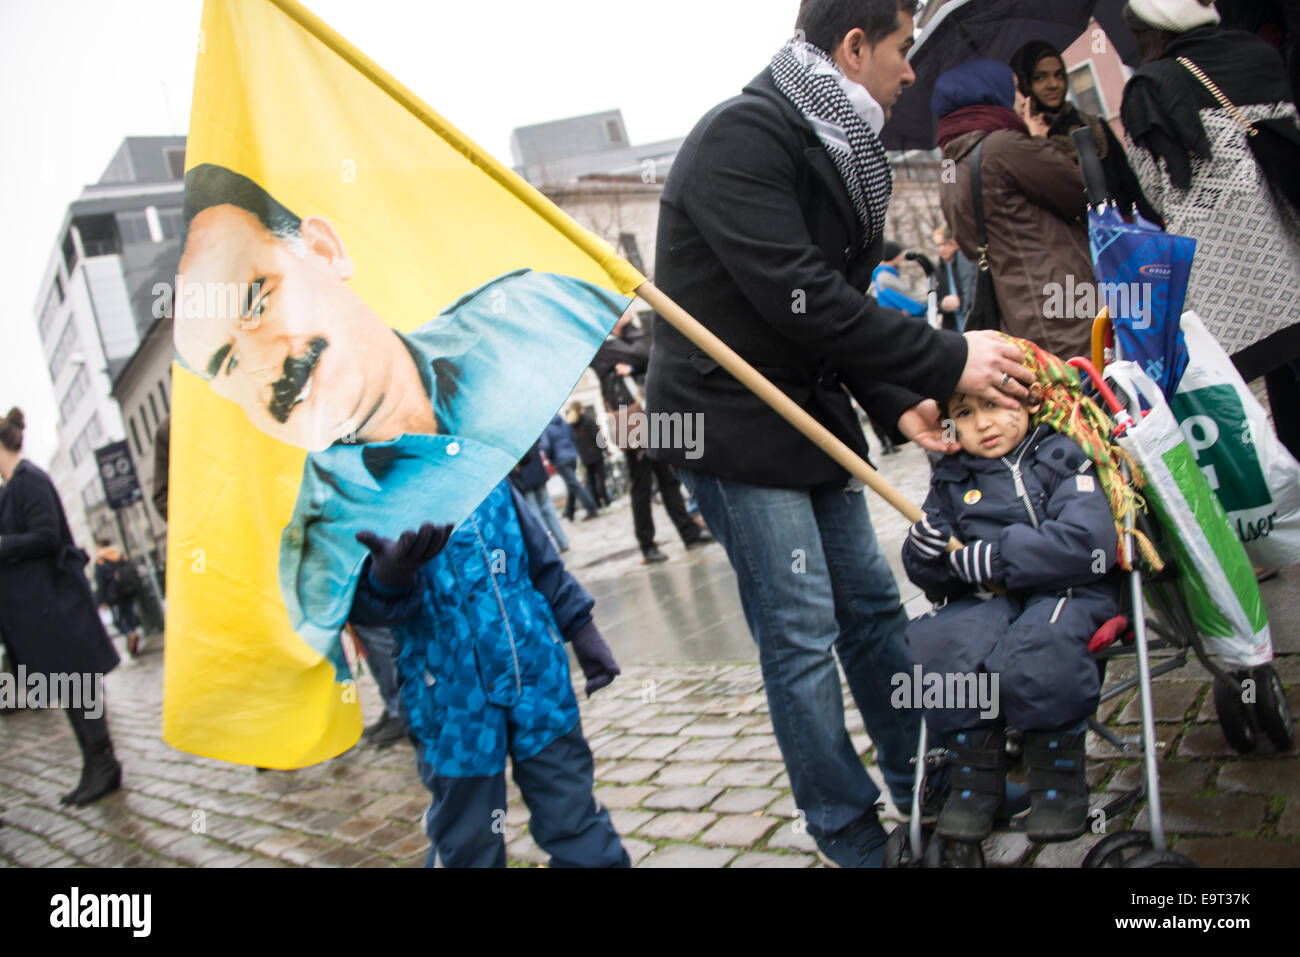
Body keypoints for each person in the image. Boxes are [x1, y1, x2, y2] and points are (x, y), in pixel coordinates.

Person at [645, 0, 1035, 867]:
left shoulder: (850, 148)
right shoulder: (743, 136)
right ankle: (848, 828)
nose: (909, 71)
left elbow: (836, 308)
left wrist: (897, 397)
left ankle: (928, 783)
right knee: (801, 631)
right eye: (901, 50)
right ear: (852, 47)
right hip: (732, 420)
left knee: (871, 612)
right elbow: (803, 294)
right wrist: (946, 359)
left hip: (806, 416)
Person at [173, 163, 629, 673]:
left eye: (258, 298)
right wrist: (387, 582)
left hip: (541, 697)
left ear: (325, 251)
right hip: (453, 723)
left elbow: (533, 550)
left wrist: (580, 624)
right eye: (226, 362)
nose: (261, 363)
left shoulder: (534, 313)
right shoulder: (316, 554)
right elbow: (362, 637)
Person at [349, 479, 628, 867]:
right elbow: (360, 603)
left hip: (538, 680)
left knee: (572, 812)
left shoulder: (489, 464)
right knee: (469, 836)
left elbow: (541, 560)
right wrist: (389, 579)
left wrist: (581, 626)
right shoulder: (369, 485)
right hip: (451, 702)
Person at [901, 376, 1120, 844]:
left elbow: (1090, 543)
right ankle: (975, 779)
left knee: (1038, 646)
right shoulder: (952, 479)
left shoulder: (1061, 456)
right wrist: (924, 554)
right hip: (989, 600)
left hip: (1068, 590)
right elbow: (935, 577)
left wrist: (1001, 556)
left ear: (1026, 400)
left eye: (993, 405)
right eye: (963, 413)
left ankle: (1058, 777)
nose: (982, 423)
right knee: (939, 644)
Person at [1121, 0, 1300, 460]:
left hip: (1232, 279)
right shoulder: (1258, 55)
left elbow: (1152, 195)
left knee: (1267, 409)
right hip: (1291, 250)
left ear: (1153, 31)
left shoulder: (1151, 86)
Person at [934, 59, 1096, 361]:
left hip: (1017, 311)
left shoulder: (948, 166)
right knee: (1099, 394)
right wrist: (1036, 140)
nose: (1021, 98)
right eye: (1013, 90)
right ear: (991, 94)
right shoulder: (1004, 146)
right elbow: (1078, 191)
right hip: (1064, 304)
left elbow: (967, 243)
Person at [0, 408, 123, 805]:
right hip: (42, 612)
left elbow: (48, 536)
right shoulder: (11, 488)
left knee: (78, 687)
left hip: (56, 608)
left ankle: (103, 765)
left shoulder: (29, 480)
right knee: (67, 689)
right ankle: (93, 765)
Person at [592, 314, 712, 565]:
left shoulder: (619, 341)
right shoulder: (602, 344)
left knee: (667, 478)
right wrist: (630, 331)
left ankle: (689, 532)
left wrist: (633, 356)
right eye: (622, 313)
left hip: (645, 416)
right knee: (641, 484)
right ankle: (647, 545)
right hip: (630, 421)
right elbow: (644, 354)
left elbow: (644, 357)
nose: (627, 316)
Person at [1008, 39, 1157, 222]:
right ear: (1025, 84)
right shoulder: (1022, 140)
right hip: (1073, 243)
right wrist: (1037, 143)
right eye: (1040, 77)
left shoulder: (1093, 126)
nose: (1054, 84)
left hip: (1123, 236)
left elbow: (1131, 188)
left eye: (1059, 75)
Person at [509, 439, 569, 552]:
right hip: (538, 471)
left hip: (524, 477)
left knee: (535, 513)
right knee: (547, 507)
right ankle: (562, 541)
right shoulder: (529, 426)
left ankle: (550, 547)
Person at [540, 413, 599, 522]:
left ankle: (591, 508)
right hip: (572, 457)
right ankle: (569, 512)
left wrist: (551, 458)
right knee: (571, 484)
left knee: (574, 485)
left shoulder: (547, 428)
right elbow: (573, 437)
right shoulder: (565, 423)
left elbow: (546, 446)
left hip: (560, 459)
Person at [93, 538, 143, 657]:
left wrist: (100, 600)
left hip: (113, 594)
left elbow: (101, 582)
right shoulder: (120, 555)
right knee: (130, 615)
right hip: (127, 590)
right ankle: (132, 634)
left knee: (117, 620)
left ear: (100, 547)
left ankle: (129, 633)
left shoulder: (101, 560)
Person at [933, 224, 977, 332]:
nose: (942, 248)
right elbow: (933, 301)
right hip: (953, 326)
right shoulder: (939, 270)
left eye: (946, 244)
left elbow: (972, 291)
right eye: (939, 245)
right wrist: (942, 305)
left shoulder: (966, 263)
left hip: (971, 323)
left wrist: (960, 302)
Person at [568, 401, 610, 508]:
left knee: (591, 481)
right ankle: (606, 500)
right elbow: (597, 436)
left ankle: (597, 503)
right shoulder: (588, 420)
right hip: (595, 454)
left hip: (585, 456)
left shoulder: (571, 425)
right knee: (601, 478)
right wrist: (605, 449)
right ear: (581, 409)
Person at [870, 240, 927, 316]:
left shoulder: (879, 277)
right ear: (894, 257)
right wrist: (932, 300)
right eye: (899, 255)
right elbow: (910, 295)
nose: (902, 258)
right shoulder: (885, 277)